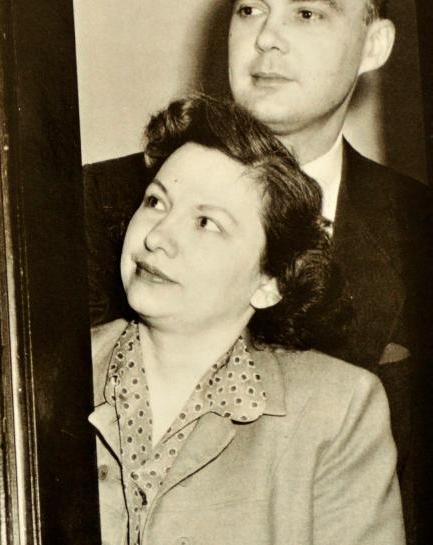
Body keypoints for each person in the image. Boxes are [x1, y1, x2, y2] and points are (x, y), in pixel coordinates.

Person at [83, 0, 431, 528]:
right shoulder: (83, 206)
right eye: (250, 9)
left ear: (374, 43)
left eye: (307, 12)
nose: (267, 36)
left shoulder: (421, 234)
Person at [90, 94, 403, 545]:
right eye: (156, 202)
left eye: (205, 223)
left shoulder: (338, 410)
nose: (157, 237)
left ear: (269, 282)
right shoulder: (42, 370)